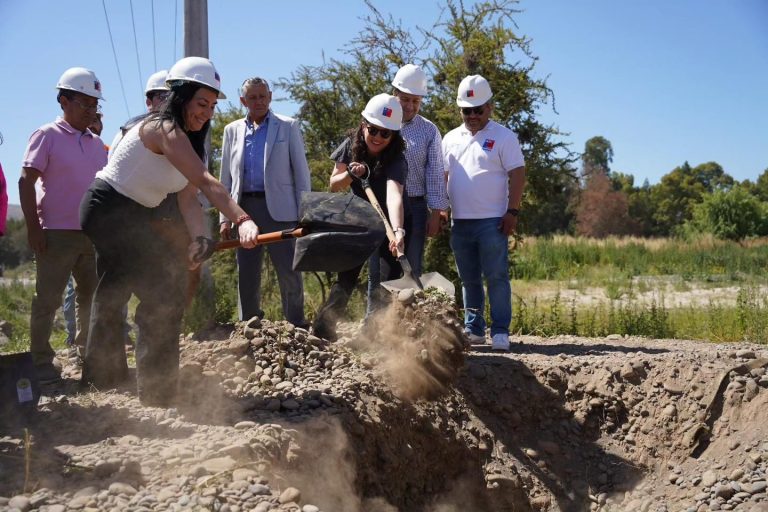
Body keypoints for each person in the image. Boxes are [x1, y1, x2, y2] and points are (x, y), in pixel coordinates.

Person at [79, 57, 260, 406]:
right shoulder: (161, 128)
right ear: (181, 97)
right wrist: (242, 220)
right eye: (200, 104)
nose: (207, 113)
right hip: (107, 209)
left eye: (211, 106)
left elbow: (189, 199)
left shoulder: (189, 142)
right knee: (161, 290)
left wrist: (199, 239)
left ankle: (121, 382)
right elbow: (207, 183)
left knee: (134, 289)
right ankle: (150, 392)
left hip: (134, 215)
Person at [19, 67, 105, 382]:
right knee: (48, 299)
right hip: (55, 234)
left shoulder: (96, 143)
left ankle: (88, 355)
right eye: (85, 103)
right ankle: (41, 361)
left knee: (91, 297)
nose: (91, 110)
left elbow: (103, 189)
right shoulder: (46, 136)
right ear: (64, 101)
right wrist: (33, 228)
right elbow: (26, 182)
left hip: (92, 234)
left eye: (95, 104)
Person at [312, 94, 407, 342]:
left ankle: (377, 336)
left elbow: (394, 195)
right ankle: (323, 329)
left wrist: (397, 231)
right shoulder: (349, 145)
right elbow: (334, 185)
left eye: (385, 134)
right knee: (347, 274)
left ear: (393, 136)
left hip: (385, 220)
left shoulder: (397, 157)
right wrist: (351, 176)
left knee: (387, 279)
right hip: (356, 218)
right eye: (373, 130)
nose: (377, 137)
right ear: (363, 124)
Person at [442, 75, 526, 352]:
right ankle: (474, 329)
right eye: (467, 110)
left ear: (489, 107)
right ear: (460, 110)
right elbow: (442, 177)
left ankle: (500, 331)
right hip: (460, 221)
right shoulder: (450, 138)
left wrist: (512, 211)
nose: (473, 115)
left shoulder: (504, 136)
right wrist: (441, 210)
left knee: (497, 276)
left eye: (478, 109)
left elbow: (518, 173)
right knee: (469, 279)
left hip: (493, 220)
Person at [219, 77, 311, 327]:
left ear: (270, 97)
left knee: (289, 270)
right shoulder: (232, 130)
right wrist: (225, 218)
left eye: (262, 96)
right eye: (252, 97)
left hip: (282, 210)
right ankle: (248, 324)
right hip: (243, 209)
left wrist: (305, 212)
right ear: (243, 101)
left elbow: (301, 174)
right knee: (246, 271)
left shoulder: (288, 126)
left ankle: (296, 323)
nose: (258, 101)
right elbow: (225, 178)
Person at [390, 64, 449, 276]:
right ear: (394, 93)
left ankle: (407, 309)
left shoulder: (429, 130)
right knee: (380, 271)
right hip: (382, 206)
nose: (410, 106)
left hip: (415, 207)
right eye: (405, 99)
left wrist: (435, 213)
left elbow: (434, 172)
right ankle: (376, 310)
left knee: (412, 267)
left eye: (415, 101)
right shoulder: (381, 122)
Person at [63, 112, 109, 349]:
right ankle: (73, 339)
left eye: (97, 120)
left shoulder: (104, 148)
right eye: (90, 120)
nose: (93, 124)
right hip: (66, 227)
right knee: (73, 290)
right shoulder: (64, 143)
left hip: (97, 228)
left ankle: (91, 341)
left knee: (93, 287)